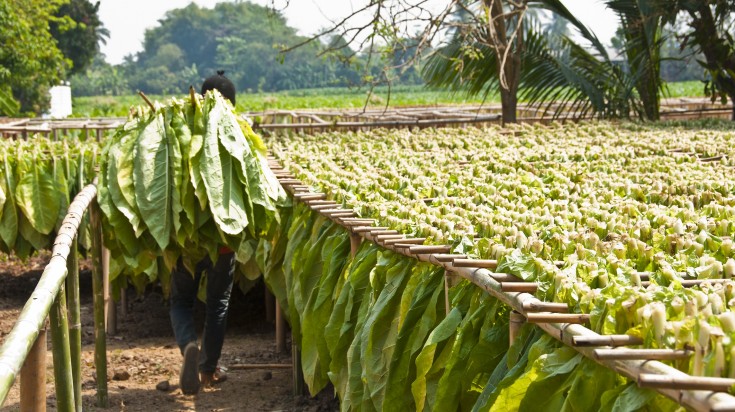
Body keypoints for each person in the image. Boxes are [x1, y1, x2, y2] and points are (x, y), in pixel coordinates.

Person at [170, 71, 237, 395]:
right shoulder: (239, 135)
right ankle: (208, 370)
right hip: (223, 241)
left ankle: (187, 346)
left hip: (186, 241)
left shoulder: (180, 133)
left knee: (180, 301)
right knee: (218, 304)